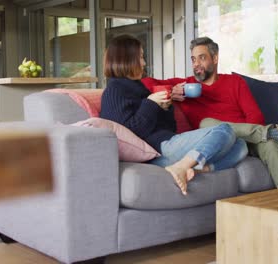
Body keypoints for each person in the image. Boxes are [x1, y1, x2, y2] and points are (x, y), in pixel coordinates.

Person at [141, 36, 278, 188]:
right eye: (193, 59)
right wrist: (172, 91)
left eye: (202, 57)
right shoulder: (185, 86)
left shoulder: (235, 82)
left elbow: (255, 116)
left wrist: (248, 134)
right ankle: (275, 132)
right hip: (219, 142)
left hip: (248, 140)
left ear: (215, 58)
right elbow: (145, 83)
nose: (196, 63)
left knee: (270, 144)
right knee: (206, 123)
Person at [100, 35, 248, 195]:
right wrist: (150, 104)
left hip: (165, 150)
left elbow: (169, 127)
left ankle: (194, 168)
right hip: (159, 148)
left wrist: (166, 106)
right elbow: (130, 133)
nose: (143, 63)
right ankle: (184, 166)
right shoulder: (114, 91)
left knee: (241, 145)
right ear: (126, 59)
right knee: (224, 129)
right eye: (141, 57)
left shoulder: (139, 88)